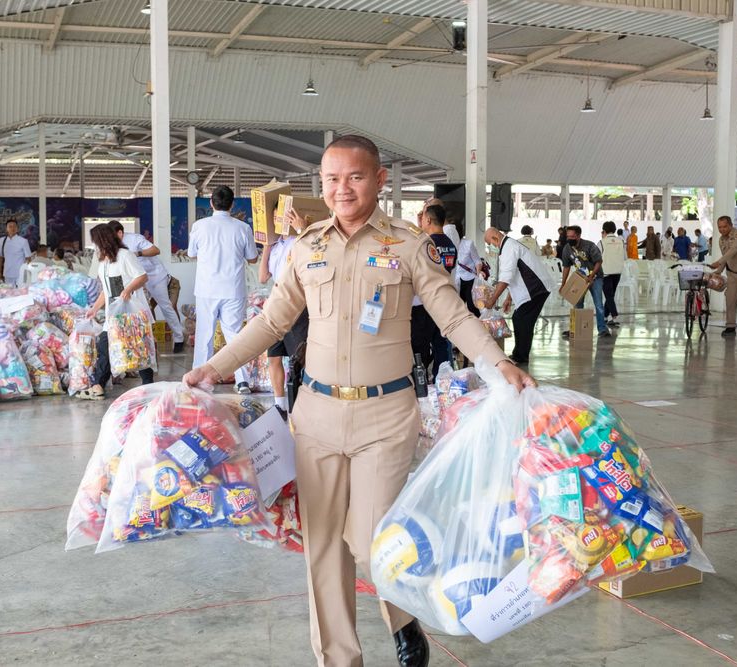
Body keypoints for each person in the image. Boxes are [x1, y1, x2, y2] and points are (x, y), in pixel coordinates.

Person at [183, 135, 536, 667]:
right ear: (320, 186)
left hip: (386, 414)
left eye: (354, 177)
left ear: (378, 181)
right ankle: (340, 659)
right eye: (331, 179)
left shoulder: (408, 244)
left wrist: (497, 363)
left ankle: (402, 616)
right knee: (323, 547)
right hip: (316, 415)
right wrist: (216, 367)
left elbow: (453, 315)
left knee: (374, 541)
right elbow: (272, 320)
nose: (341, 189)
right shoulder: (306, 248)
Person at [187, 185, 258, 393]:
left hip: (207, 289)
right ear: (232, 204)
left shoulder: (199, 226)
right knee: (235, 335)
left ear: (211, 203)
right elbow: (252, 258)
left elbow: (191, 254)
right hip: (233, 289)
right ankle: (242, 381)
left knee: (204, 335)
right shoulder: (243, 228)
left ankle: (199, 379)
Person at [79, 225, 154, 399]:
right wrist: (95, 308)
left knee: (137, 348)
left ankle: (149, 385)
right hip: (113, 314)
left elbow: (142, 277)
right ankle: (98, 385)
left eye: (96, 242)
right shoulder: (104, 262)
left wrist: (128, 290)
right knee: (105, 345)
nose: (95, 246)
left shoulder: (125, 256)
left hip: (130, 314)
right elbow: (106, 290)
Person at [259, 209, 311, 417]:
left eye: (281, 218)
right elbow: (263, 277)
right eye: (274, 219)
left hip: (297, 304)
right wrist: (266, 247)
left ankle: (306, 401)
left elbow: (312, 251)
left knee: (300, 357)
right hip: (275, 304)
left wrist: (301, 229)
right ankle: (280, 404)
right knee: (274, 356)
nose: (277, 222)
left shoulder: (296, 241)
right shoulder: (275, 246)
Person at [109, 220, 185, 354]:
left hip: (154, 276)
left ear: (120, 233)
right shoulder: (114, 245)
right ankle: (147, 342)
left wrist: (138, 253)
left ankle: (179, 338)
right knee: (141, 310)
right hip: (136, 279)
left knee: (165, 305)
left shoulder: (135, 239)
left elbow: (156, 250)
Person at [484, 226, 552, 365]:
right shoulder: (508, 246)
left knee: (523, 319)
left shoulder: (509, 248)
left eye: (489, 244)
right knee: (519, 318)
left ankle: (521, 356)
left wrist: (492, 300)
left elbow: (505, 278)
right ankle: (519, 354)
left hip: (535, 288)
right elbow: (514, 276)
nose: (490, 247)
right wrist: (509, 298)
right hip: (532, 289)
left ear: (495, 238)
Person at [411, 204, 457, 373]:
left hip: (425, 302)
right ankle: (442, 377)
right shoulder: (450, 244)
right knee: (440, 342)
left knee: (420, 344)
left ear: (428, 219)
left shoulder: (426, 244)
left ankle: (420, 377)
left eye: (423, 219)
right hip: (444, 299)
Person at [560, 225, 611, 338]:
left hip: (596, 277)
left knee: (598, 303)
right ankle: (575, 329)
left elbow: (599, 261)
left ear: (578, 236)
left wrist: (591, 276)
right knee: (577, 303)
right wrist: (563, 284)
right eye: (568, 236)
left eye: (572, 236)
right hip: (580, 278)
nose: (569, 238)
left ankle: (602, 329)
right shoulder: (567, 248)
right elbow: (566, 267)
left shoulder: (589, 245)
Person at [600, 221, 625, 328]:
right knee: (610, 295)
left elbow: (597, 257)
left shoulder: (602, 242)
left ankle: (614, 315)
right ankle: (606, 317)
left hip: (606, 272)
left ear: (604, 230)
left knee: (608, 295)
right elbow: (624, 256)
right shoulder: (621, 241)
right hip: (618, 271)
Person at [454, 226, 484, 316]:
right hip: (456, 280)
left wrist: (479, 273)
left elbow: (477, 260)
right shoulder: (449, 244)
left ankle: (478, 326)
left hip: (470, 280)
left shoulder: (468, 244)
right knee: (457, 309)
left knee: (472, 307)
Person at [0, 219, 32, 286]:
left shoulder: (23, 241)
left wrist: (28, 272)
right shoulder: (2, 240)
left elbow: (28, 258)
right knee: (8, 292)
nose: (12, 228)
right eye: (10, 226)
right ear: (6, 229)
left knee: (20, 293)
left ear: (17, 229)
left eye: (14, 226)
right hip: (7, 273)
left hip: (20, 273)